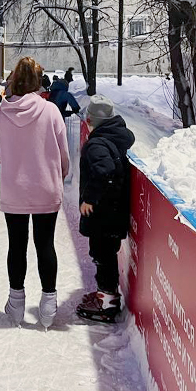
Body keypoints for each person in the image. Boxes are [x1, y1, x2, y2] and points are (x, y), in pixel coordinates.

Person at [0, 57, 70, 329]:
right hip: (46, 187)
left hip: (14, 189)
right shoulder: (51, 111)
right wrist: (57, 173)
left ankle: (16, 303)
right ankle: (48, 304)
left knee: (17, 245)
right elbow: (63, 155)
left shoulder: (1, 113)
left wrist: (15, 161)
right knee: (45, 244)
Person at [76, 95, 135, 323]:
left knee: (103, 255)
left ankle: (107, 302)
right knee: (105, 254)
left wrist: (89, 199)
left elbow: (105, 171)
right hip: (113, 211)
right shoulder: (115, 138)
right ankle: (105, 295)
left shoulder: (97, 144)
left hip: (103, 213)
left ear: (91, 120)